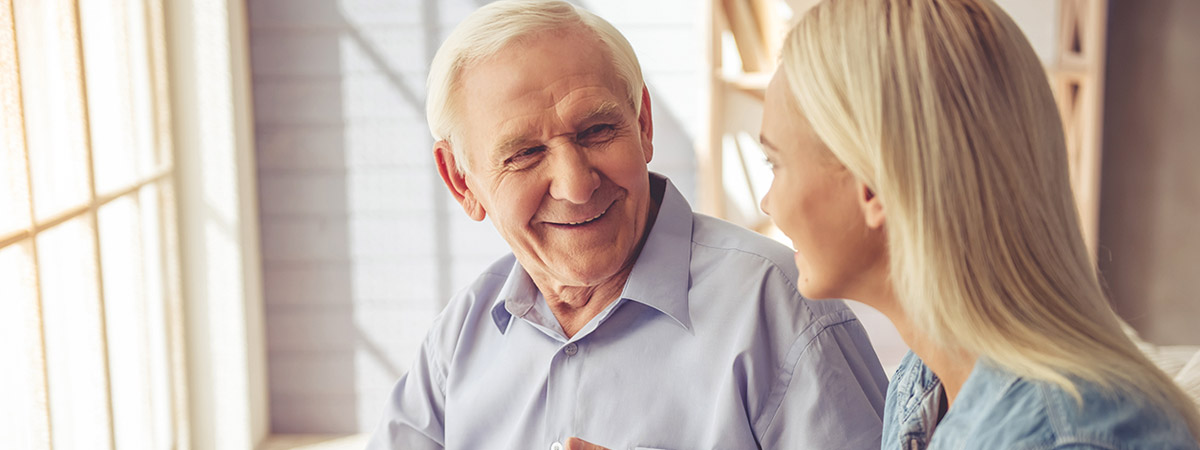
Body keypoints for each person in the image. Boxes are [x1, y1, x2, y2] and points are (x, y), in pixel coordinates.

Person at [365, 1, 889, 449]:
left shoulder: (782, 308)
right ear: (461, 182)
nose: (575, 185)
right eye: (525, 153)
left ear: (642, 125)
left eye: (596, 130)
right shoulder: (460, 337)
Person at [755, 0, 1200, 448]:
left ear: (872, 186)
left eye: (774, 164)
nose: (767, 202)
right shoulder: (923, 382)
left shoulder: (1072, 436)